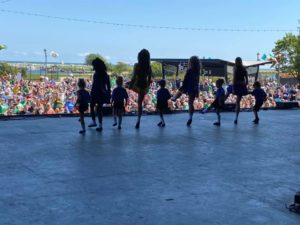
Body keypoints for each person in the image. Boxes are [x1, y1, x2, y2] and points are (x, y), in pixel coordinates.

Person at [172, 56, 201, 126]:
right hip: (194, 87)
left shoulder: (189, 70)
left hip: (188, 85)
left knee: (181, 91)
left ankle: (175, 98)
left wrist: (184, 85)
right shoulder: (198, 70)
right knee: (191, 103)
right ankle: (190, 117)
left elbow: (186, 79)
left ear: (191, 63)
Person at [129, 49, 152, 129]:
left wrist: (130, 85)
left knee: (139, 103)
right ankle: (138, 119)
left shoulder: (137, 65)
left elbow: (133, 77)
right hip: (144, 85)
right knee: (140, 103)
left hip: (137, 84)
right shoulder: (148, 67)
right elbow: (149, 79)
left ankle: (138, 120)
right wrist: (148, 87)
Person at [88, 58, 111, 132]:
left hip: (95, 92)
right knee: (99, 109)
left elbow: (95, 85)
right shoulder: (106, 75)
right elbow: (108, 86)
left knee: (92, 106)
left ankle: (94, 121)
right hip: (102, 93)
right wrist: (108, 94)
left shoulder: (96, 74)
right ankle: (100, 125)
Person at [233, 57, 248, 124]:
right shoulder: (244, 68)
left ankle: (220, 104)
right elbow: (247, 80)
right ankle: (236, 117)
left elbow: (234, 78)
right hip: (242, 85)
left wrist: (233, 87)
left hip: (236, 85)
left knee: (237, 101)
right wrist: (244, 84)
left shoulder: (235, 68)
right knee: (238, 101)